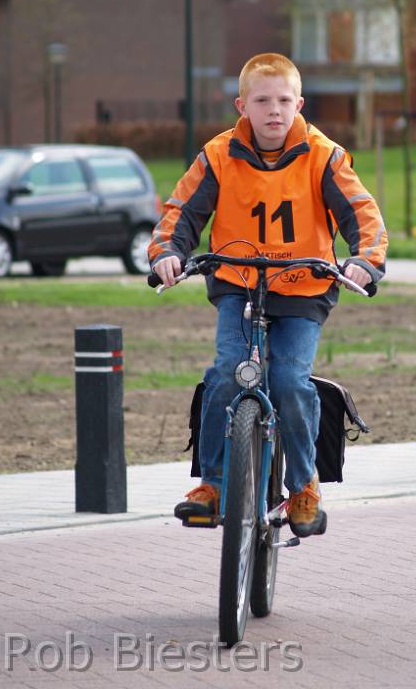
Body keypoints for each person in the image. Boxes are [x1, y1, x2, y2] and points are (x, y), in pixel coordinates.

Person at [148, 53, 387, 537]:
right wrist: (167, 253)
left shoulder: (324, 155)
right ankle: (214, 483)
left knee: (289, 381)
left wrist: (365, 260)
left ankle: (302, 486)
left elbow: (363, 214)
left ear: (299, 103)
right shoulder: (218, 154)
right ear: (242, 106)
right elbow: (181, 212)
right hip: (238, 283)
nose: (273, 110)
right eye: (261, 101)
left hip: (304, 288)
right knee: (226, 373)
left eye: (283, 100)